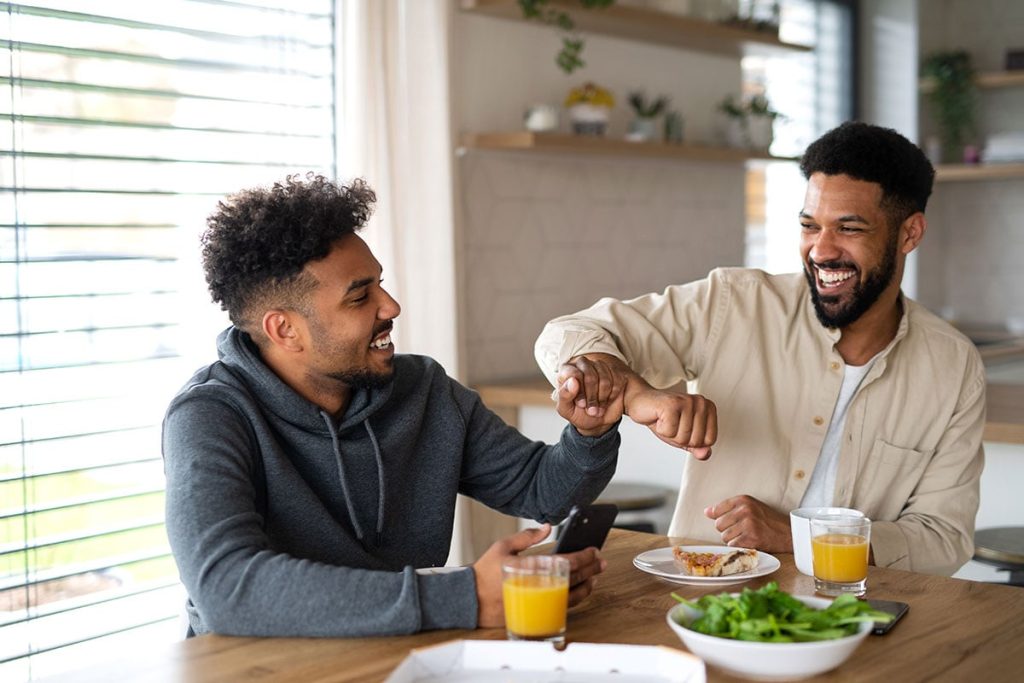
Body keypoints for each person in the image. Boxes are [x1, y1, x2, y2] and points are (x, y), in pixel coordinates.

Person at [162, 173, 623, 638]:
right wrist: (464, 597)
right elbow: (226, 589)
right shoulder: (210, 416)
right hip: (255, 665)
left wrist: (589, 435)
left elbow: (541, 490)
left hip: (388, 649)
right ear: (285, 330)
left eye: (380, 284)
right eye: (360, 296)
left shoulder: (424, 391)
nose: (391, 306)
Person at [535, 121, 985, 576]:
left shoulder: (952, 365)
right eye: (810, 226)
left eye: (849, 228)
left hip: (857, 615)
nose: (821, 250)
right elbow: (568, 333)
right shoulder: (734, 303)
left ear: (909, 234)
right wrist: (640, 395)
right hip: (705, 600)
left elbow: (944, 538)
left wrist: (799, 537)